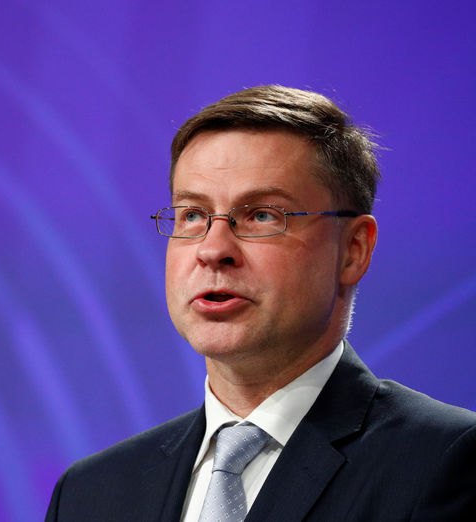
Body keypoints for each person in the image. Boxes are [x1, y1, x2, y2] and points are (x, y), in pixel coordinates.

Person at [45, 86, 476, 521]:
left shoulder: (445, 462)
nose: (213, 250)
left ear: (353, 250)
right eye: (192, 215)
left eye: (262, 215)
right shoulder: (90, 494)